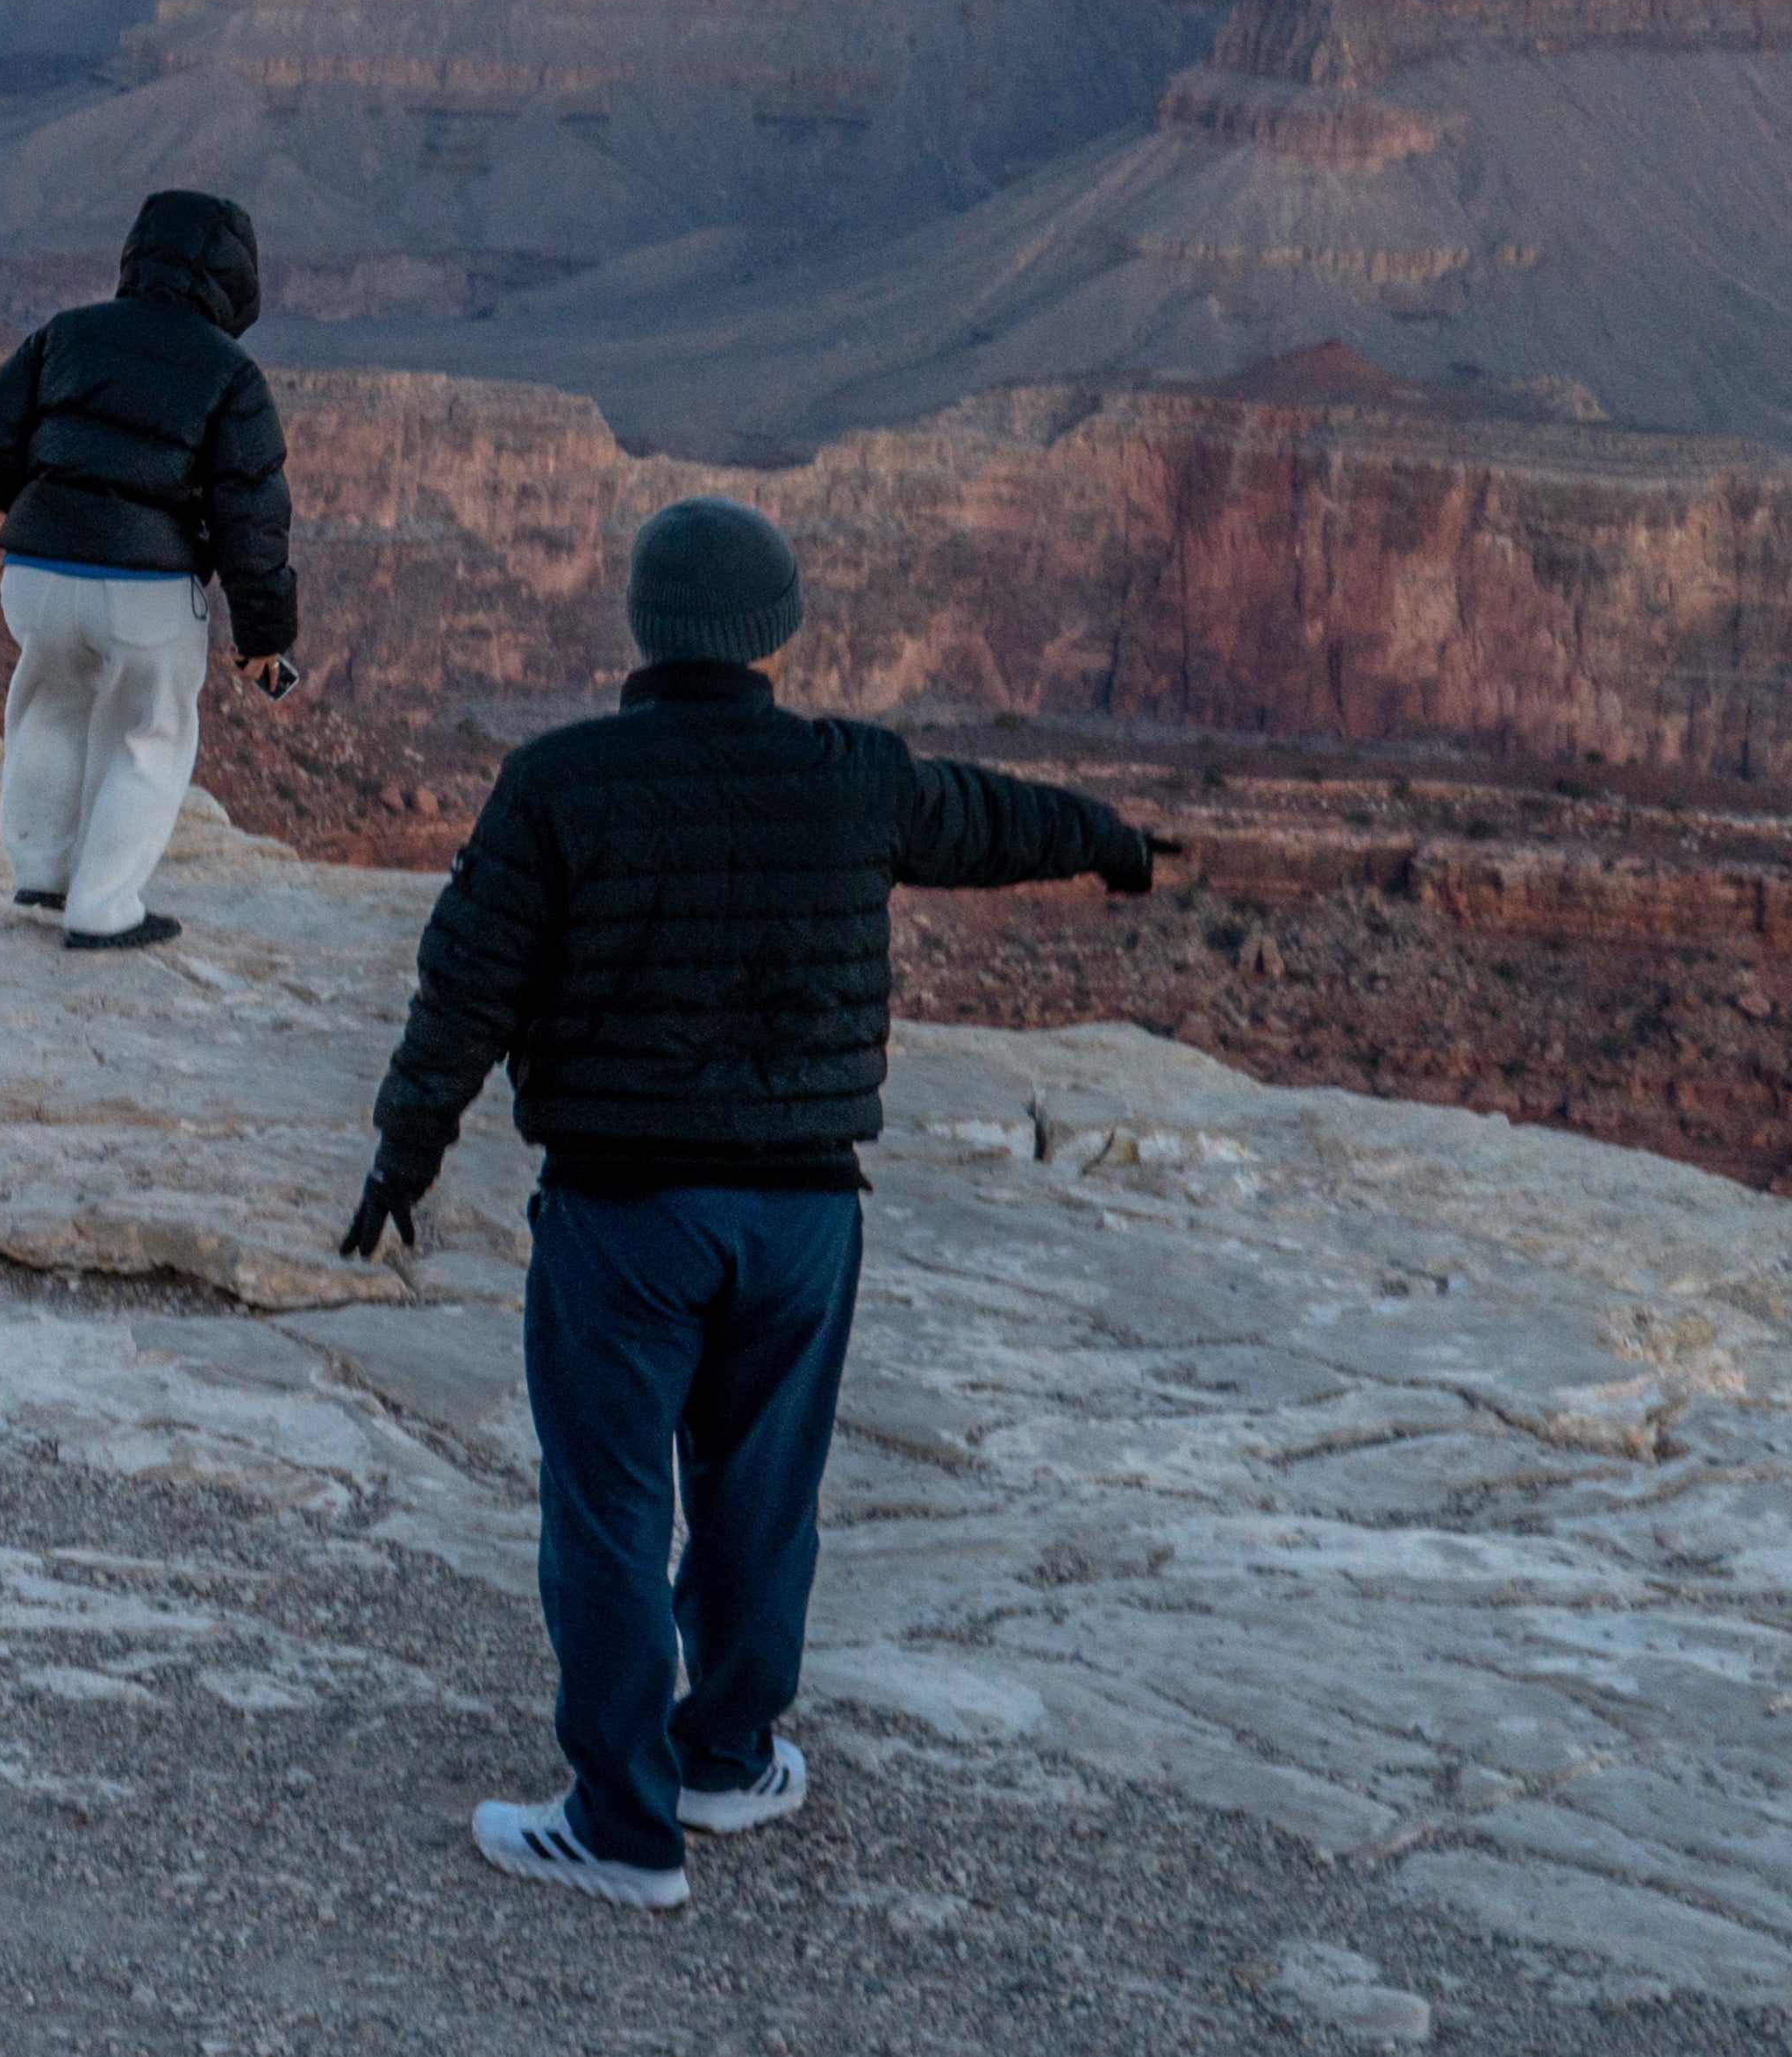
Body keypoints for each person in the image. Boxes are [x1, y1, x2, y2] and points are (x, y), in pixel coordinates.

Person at [343, 498, 1174, 1909]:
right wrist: (1111, 842)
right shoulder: (853, 777)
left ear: (640, 628)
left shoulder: (560, 781)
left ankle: (621, 1828)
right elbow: (988, 819)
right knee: (759, 1500)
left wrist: (399, 1163)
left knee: (606, 1507)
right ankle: (725, 1757)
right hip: (800, 1218)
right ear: (776, 635)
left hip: (622, 1214)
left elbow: (463, 990)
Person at [0, 188, 299, 950]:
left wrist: (37, 507)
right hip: (145, 589)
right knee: (150, 731)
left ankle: (40, 874)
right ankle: (104, 908)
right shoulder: (230, 375)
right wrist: (263, 635)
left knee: (49, 704)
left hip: (37, 575)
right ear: (235, 278)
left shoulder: (66, 334)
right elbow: (253, 522)